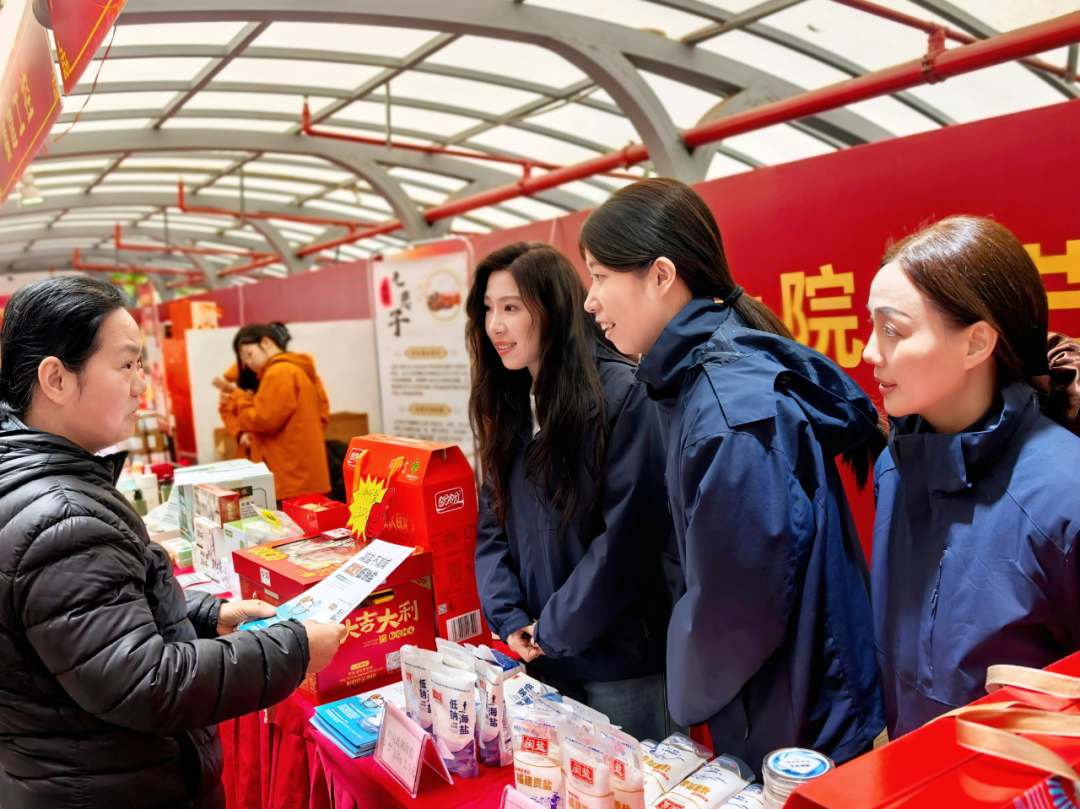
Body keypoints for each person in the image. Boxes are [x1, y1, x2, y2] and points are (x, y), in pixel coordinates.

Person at [0, 277, 347, 809]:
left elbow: (94, 621)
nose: (142, 384)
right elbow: (146, 683)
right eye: (127, 364)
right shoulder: (65, 516)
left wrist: (205, 614)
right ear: (56, 379)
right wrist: (294, 649)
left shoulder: (32, 480)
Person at [579, 178, 885, 771]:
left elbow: (742, 606)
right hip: (789, 692)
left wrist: (681, 674)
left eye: (600, 275)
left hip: (792, 710)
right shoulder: (704, 378)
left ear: (661, 276)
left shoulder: (725, 410)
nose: (590, 301)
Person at [863, 216, 1080, 738]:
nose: (869, 352)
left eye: (892, 330)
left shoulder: (1064, 496)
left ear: (976, 343)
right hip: (910, 766)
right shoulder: (896, 467)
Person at [470, 242, 675, 741]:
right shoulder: (511, 406)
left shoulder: (623, 395)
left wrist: (553, 629)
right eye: (488, 309)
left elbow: (627, 541)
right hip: (540, 658)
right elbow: (492, 527)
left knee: (632, 780)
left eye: (512, 308)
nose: (495, 326)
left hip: (620, 665)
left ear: (555, 309)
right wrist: (511, 617)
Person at [218, 322, 331, 501]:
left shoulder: (277, 373)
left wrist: (238, 398)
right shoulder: (299, 369)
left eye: (250, 354)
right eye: (244, 358)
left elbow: (261, 420)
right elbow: (322, 415)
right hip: (304, 473)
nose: (249, 363)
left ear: (267, 342)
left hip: (288, 478)